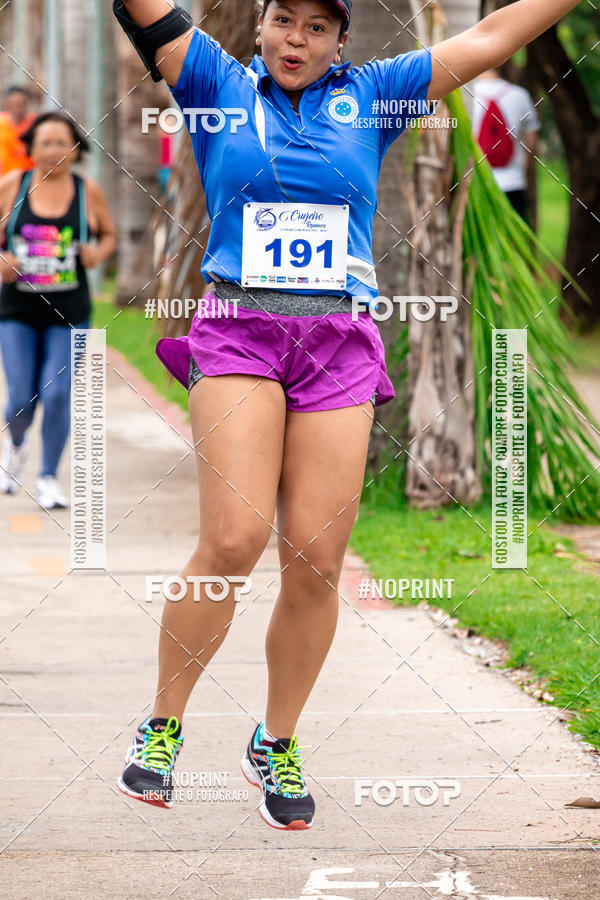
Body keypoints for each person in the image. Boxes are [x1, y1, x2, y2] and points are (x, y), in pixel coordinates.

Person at [113, 0, 584, 829]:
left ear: (341, 41)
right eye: (282, 19)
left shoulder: (377, 94)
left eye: (316, 27)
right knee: (232, 539)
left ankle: (276, 740)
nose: (297, 39)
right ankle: (163, 726)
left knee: (318, 559)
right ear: (258, 25)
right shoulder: (215, 82)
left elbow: (491, 36)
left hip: (338, 340)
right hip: (241, 330)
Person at [0, 112, 117, 508]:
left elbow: (108, 234)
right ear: (31, 148)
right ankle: (15, 446)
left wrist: (96, 252)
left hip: (69, 311)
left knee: (57, 392)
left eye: (62, 143)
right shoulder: (12, 187)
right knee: (19, 398)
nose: (54, 151)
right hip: (17, 309)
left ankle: (48, 477)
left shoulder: (88, 191)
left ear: (75, 149)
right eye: (45, 143)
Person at [472, 68, 541, 221]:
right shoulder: (519, 94)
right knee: (513, 239)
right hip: (513, 181)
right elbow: (531, 139)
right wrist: (525, 168)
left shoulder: (467, 93)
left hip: (476, 184)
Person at [0, 85, 36, 175]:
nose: (17, 108)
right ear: (7, 104)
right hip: (5, 178)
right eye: (13, 104)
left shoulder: (34, 124)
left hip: (28, 178)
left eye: (21, 104)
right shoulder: (1, 123)